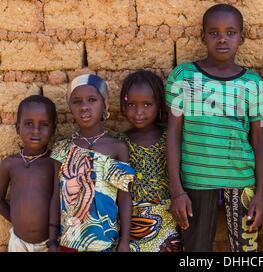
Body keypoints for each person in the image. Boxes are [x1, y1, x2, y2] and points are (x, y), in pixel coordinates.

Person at [166, 4, 263, 252]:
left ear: (241, 38)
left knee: (246, 254)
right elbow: (172, 135)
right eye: (213, 33)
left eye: (230, 32)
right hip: (195, 182)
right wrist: (176, 190)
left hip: (242, 181)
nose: (222, 39)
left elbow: (260, 139)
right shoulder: (183, 76)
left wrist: (260, 194)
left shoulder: (253, 82)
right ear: (203, 36)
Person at [48, 74, 135, 252]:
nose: (84, 107)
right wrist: (51, 241)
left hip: (106, 244)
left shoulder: (117, 148)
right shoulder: (62, 150)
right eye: (77, 101)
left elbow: (124, 197)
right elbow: (55, 198)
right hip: (69, 243)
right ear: (70, 108)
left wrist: (125, 240)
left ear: (105, 105)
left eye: (92, 100)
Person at [118, 70, 181, 252]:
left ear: (159, 104)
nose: (139, 112)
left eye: (147, 104)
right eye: (131, 105)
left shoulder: (169, 138)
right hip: (133, 223)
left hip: (169, 220)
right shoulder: (120, 142)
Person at [0, 95, 57, 252]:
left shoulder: (53, 163)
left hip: (49, 243)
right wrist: (17, 220)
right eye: (29, 124)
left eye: (44, 124)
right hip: (18, 242)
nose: (36, 131)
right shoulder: (10, 164)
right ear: (18, 127)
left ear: (53, 129)